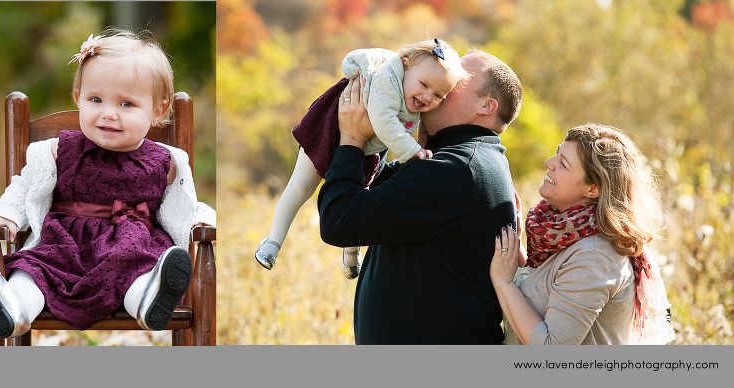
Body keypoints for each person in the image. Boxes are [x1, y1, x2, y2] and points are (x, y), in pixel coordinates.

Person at [0, 28, 216, 339]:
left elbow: (182, 203)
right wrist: (4, 215)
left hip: (131, 248)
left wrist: (202, 220)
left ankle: (151, 301)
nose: (108, 114)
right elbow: (24, 188)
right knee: (33, 272)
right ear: (78, 100)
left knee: (139, 274)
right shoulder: (58, 150)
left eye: (126, 104)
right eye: (95, 99)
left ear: (158, 111)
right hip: (63, 247)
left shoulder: (167, 161)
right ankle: (13, 309)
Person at [317, 49, 523, 344]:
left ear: (486, 106)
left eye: (458, 80)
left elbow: (339, 220)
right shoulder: (460, 159)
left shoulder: (456, 169)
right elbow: (368, 196)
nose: (444, 80)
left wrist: (351, 138)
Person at [254, 39, 470, 280]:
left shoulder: (413, 94)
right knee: (301, 185)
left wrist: (421, 145)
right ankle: (273, 242)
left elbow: (416, 127)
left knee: (359, 194)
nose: (427, 96)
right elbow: (384, 121)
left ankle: (351, 251)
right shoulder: (387, 80)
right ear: (405, 65)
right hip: (331, 128)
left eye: (439, 95)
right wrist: (412, 152)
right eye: (424, 84)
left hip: (365, 146)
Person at [490, 123, 675, 345]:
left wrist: (503, 282)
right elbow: (542, 291)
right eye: (557, 154)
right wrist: (516, 247)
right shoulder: (562, 233)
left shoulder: (595, 256)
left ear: (592, 189)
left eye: (563, 164)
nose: (549, 163)